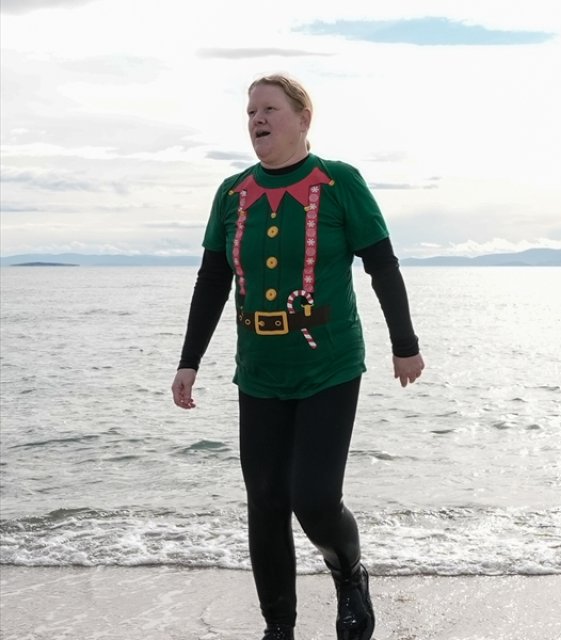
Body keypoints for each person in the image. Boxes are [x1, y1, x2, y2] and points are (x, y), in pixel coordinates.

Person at [170, 74, 425, 640]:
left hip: (328, 366)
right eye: (250, 111)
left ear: (303, 118)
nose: (256, 119)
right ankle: (278, 628)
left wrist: (404, 345)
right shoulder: (231, 193)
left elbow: (382, 264)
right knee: (264, 500)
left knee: (312, 499)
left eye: (269, 109)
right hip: (259, 369)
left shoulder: (339, 183)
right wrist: (190, 360)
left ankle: (348, 572)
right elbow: (213, 279)